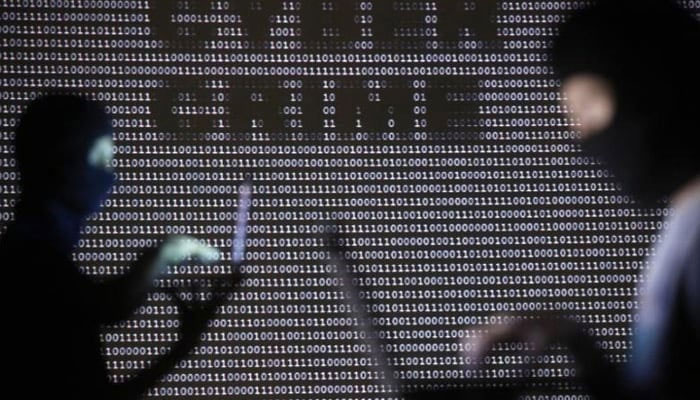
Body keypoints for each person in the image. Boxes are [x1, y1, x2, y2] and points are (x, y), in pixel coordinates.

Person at [467, 1, 700, 399]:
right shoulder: (682, 224)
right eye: (572, 117)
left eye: (589, 107)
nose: (582, 134)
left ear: (653, 86)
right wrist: (571, 339)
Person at [0, 94, 238, 399]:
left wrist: (182, 346)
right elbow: (108, 306)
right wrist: (165, 253)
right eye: (100, 158)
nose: (109, 175)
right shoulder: (27, 260)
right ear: (60, 159)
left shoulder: (31, 251)